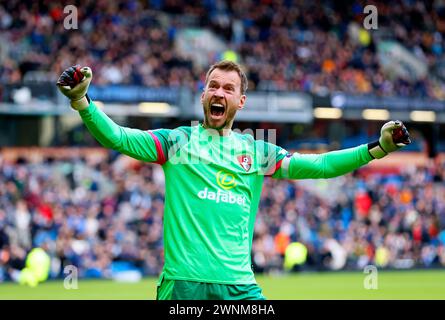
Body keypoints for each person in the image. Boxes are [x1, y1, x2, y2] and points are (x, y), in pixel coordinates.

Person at [56, 61, 411, 300]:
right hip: (184, 285)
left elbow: (318, 165)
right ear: (203, 95)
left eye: (228, 89)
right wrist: (82, 102)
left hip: (240, 288)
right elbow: (118, 137)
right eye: (213, 86)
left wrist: (377, 148)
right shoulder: (177, 142)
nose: (219, 93)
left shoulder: (257, 152)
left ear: (240, 101)